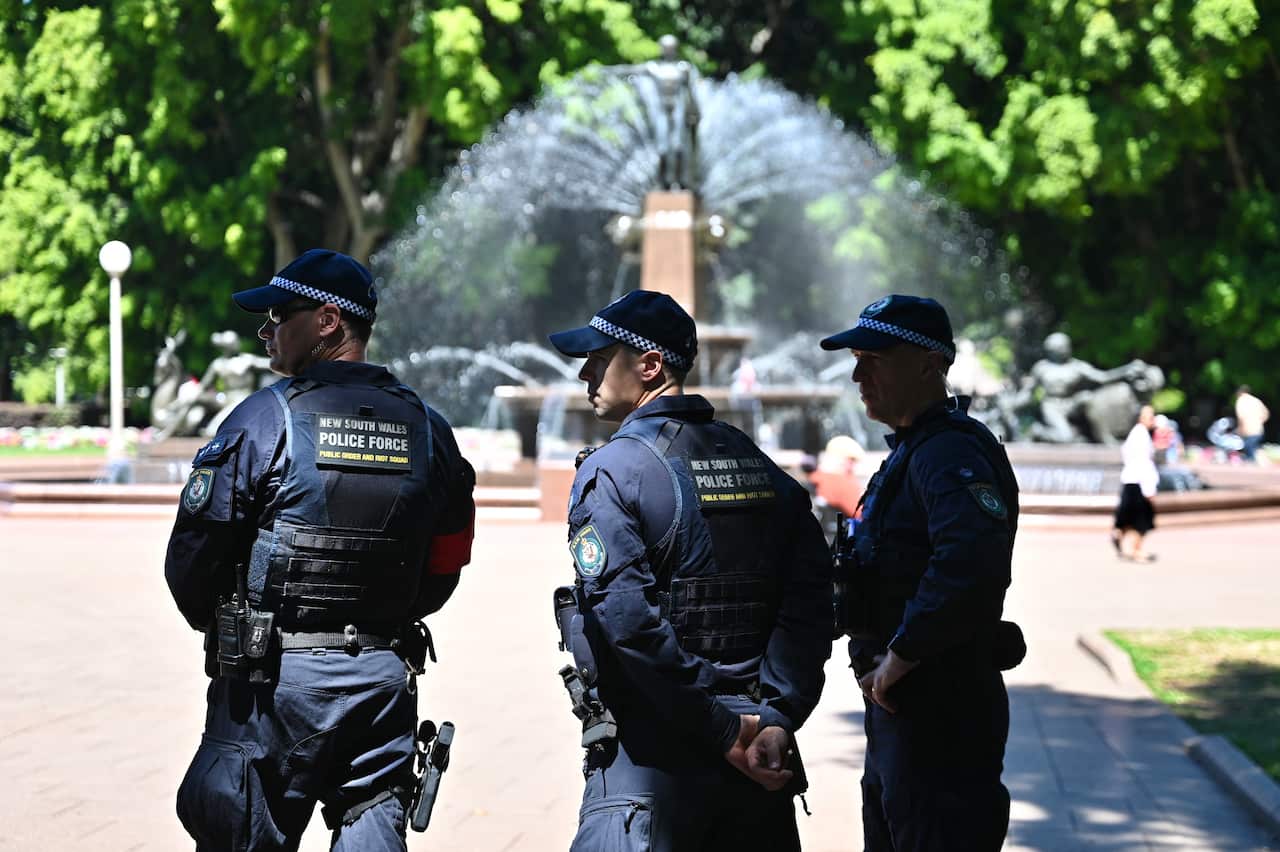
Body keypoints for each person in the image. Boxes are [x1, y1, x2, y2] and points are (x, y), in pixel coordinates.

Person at [164, 249, 476, 851]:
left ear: (329, 321)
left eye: (280, 314)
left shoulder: (263, 420)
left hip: (271, 686)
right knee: (373, 827)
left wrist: (230, 627)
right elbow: (447, 563)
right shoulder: (430, 430)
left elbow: (192, 560)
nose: (267, 330)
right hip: (382, 682)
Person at [547, 290, 832, 851]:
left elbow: (628, 621)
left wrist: (724, 730)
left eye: (600, 358)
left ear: (649, 365)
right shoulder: (758, 465)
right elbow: (812, 601)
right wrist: (776, 715)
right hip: (758, 757)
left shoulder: (615, 470)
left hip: (651, 763)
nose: (586, 372)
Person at [820, 294, 1022, 851]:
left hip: (939, 708)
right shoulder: (913, 451)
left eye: (876, 359)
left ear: (930, 363)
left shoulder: (949, 453)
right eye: (857, 358)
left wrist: (899, 658)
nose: (859, 374)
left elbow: (969, 565)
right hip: (904, 707)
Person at [1112, 404, 1159, 562]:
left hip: (1130, 480)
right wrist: (1149, 489)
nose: (1153, 420)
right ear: (1140, 418)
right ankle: (1136, 551)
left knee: (1128, 518)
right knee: (1142, 521)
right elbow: (1143, 463)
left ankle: (1118, 534)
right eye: (1150, 416)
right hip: (1139, 483)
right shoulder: (1141, 435)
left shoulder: (1135, 433)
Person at [1234, 385, 1270, 462]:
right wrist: (1259, 421)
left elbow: (1241, 417)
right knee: (1253, 449)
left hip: (1247, 430)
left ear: (1239, 392)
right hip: (1258, 429)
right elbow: (1266, 413)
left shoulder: (1241, 401)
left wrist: (1239, 429)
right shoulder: (1256, 400)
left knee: (1248, 451)